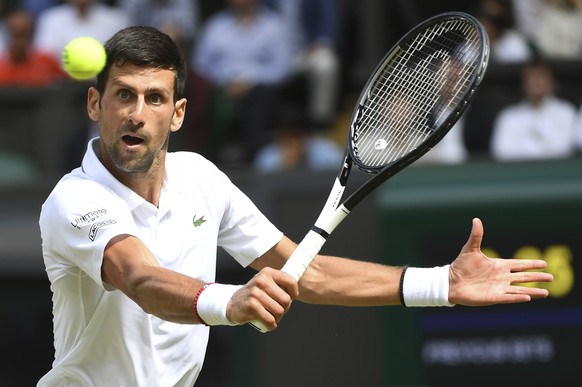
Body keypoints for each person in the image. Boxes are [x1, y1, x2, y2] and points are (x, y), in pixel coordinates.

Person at [38, 26, 553, 386]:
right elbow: (140, 279)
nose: (136, 113)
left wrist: (442, 285)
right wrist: (229, 302)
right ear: (94, 105)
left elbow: (304, 273)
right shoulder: (74, 198)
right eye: (123, 95)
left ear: (177, 114)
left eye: (153, 98)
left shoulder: (199, 177)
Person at [191, 0, 292, 163]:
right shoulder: (215, 26)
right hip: (221, 87)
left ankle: (253, 157)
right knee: (200, 93)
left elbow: (282, 69)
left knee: (260, 98)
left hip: (260, 88)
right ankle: (208, 157)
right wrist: (225, 81)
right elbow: (201, 65)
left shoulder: (274, 26)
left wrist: (249, 81)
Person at [490, 59, 578, 161]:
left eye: (541, 75)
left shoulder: (566, 112)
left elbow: (563, 149)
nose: (536, 80)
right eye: (531, 76)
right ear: (523, 83)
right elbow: (501, 152)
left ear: (552, 81)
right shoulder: (508, 117)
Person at [33, 0, 129, 61]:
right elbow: (44, 57)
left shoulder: (117, 19)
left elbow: (123, 58)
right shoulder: (50, 18)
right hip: (61, 86)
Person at [0, 9, 66, 87]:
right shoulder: (1, 64)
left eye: (23, 34)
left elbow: (65, 83)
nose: (20, 41)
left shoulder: (46, 60)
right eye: (16, 34)